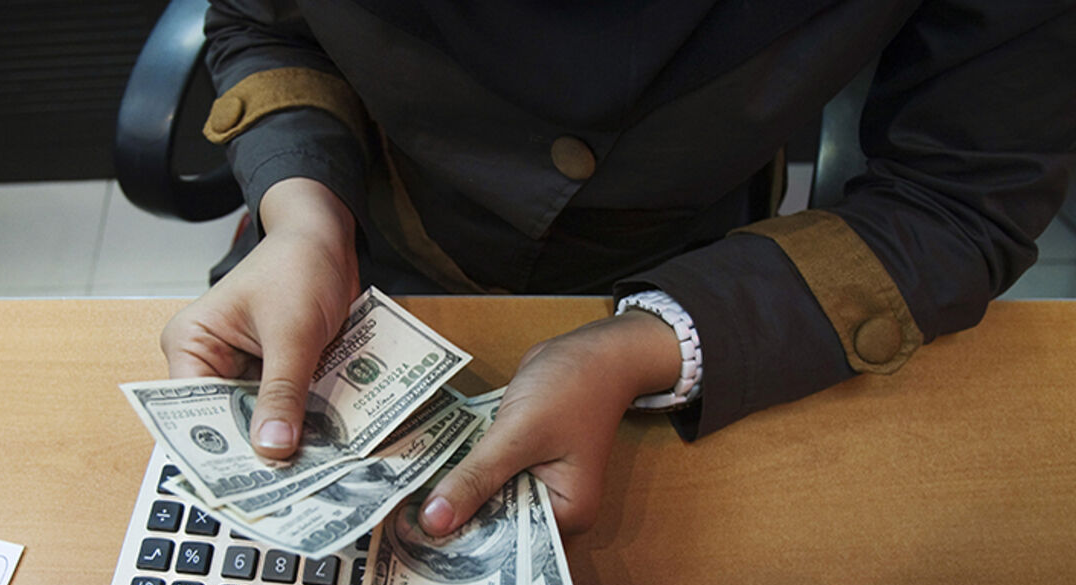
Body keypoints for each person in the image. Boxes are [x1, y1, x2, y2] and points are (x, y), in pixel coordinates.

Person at [160, 1, 1075, 539]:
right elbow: (267, 20)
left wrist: (652, 345)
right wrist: (305, 216)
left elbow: (960, 195)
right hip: (344, 241)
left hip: (703, 274)